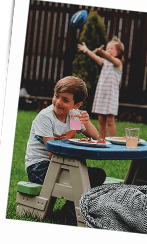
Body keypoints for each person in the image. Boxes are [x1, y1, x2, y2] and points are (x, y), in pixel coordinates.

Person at [25, 76, 106, 220]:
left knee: (98, 174)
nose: (58, 102)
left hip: (62, 165)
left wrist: (86, 122)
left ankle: (68, 209)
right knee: (80, 178)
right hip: (39, 167)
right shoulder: (46, 117)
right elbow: (51, 153)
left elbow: (94, 136)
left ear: (77, 105)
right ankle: (70, 211)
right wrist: (70, 138)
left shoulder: (73, 116)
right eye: (57, 96)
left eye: (65, 100)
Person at [78, 36, 125, 139]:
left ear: (119, 52)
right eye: (107, 48)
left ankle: (111, 141)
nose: (108, 50)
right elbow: (95, 57)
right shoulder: (105, 63)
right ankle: (102, 140)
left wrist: (102, 52)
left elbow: (110, 58)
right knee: (101, 120)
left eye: (111, 49)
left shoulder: (118, 64)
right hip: (101, 96)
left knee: (110, 120)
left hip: (110, 97)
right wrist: (87, 50)